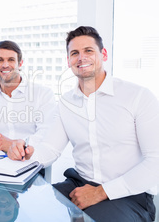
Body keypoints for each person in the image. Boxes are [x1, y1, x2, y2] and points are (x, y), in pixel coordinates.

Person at [8, 26, 159, 221]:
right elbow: (50, 149)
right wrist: (27, 152)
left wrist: (100, 192)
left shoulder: (138, 96)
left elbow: (155, 162)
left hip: (129, 195)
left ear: (103, 54)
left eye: (89, 51)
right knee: (33, 209)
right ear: (68, 60)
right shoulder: (66, 102)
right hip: (79, 185)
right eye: (74, 53)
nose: (81, 58)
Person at [0, 40, 56, 152]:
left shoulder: (43, 94)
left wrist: (12, 146)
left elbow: (46, 135)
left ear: (20, 63)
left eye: (11, 60)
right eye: (0, 60)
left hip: (29, 162)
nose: (5, 65)